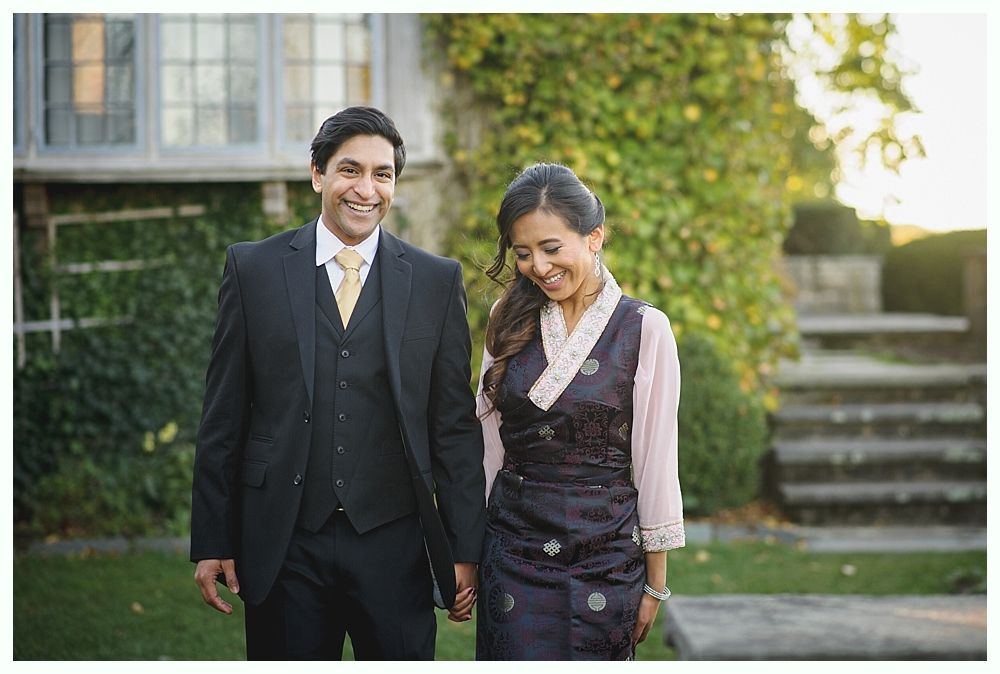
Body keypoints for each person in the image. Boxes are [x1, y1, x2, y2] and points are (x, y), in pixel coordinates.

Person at [190, 106, 486, 660]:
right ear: (317, 174)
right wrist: (213, 539)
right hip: (285, 541)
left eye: (382, 174)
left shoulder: (435, 281)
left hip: (395, 545)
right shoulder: (253, 269)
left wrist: (464, 546)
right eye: (350, 170)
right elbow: (223, 416)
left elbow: (453, 428)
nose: (366, 189)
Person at [475, 163, 685, 660]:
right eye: (522, 253)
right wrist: (468, 551)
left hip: (607, 556)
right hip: (512, 551)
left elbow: (656, 461)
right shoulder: (506, 317)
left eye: (551, 249)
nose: (538, 267)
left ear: (594, 237)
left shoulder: (645, 328)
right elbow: (486, 446)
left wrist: (655, 583)